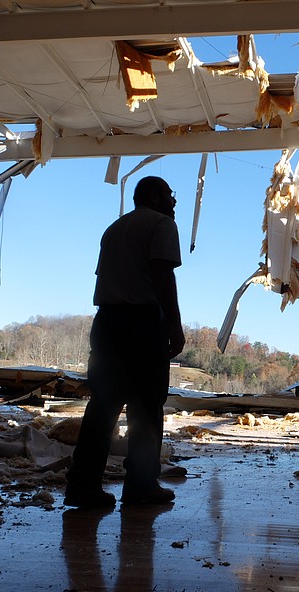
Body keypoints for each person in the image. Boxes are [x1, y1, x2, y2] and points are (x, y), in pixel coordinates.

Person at [64, 176, 186, 508]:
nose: (173, 202)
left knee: (102, 407)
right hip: (142, 324)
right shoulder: (161, 225)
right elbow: (163, 275)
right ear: (153, 197)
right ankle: (141, 486)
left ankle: (83, 485)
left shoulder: (114, 229)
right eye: (169, 195)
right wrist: (174, 326)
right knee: (146, 408)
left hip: (107, 323)